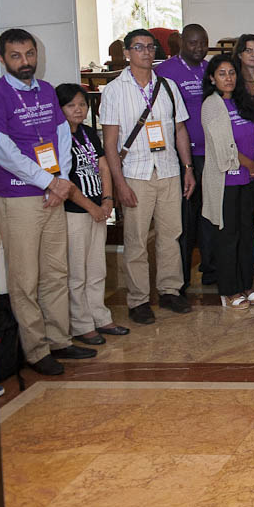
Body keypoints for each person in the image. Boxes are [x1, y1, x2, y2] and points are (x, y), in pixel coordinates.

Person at [0, 32, 95, 376]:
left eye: (29, 53)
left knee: (56, 271)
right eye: (16, 55)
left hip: (54, 193)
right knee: (25, 279)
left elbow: (61, 134)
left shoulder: (47, 90)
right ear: (2, 59)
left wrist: (61, 182)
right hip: (18, 196)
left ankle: (59, 338)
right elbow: (2, 149)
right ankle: (37, 350)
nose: (25, 61)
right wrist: (48, 181)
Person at [100, 28, 196, 324]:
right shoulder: (115, 90)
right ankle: (138, 299)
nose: (146, 52)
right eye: (139, 47)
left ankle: (170, 290)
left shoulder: (167, 86)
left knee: (171, 235)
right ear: (127, 52)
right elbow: (110, 143)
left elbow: (179, 129)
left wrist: (188, 168)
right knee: (137, 240)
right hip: (135, 175)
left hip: (168, 170)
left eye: (151, 47)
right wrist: (119, 184)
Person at [56, 84, 127, 346]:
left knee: (96, 267)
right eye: (71, 105)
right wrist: (92, 207)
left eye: (82, 104)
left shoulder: (87, 132)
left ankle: (100, 316)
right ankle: (81, 324)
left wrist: (107, 199)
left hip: (99, 209)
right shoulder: (58, 137)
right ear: (60, 108)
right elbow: (63, 181)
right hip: (75, 212)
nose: (78, 109)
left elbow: (103, 165)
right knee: (77, 272)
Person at [200, 54, 254, 310]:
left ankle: (246, 285)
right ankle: (228, 290)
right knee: (228, 236)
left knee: (248, 234)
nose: (228, 78)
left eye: (232, 73)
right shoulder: (211, 105)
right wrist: (248, 163)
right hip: (224, 181)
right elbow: (223, 146)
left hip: (247, 180)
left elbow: (253, 134)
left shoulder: (242, 102)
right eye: (222, 74)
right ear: (213, 79)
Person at [154, 23, 210, 291]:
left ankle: (211, 269)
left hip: (211, 154)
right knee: (185, 219)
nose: (198, 48)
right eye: (193, 43)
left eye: (202, 42)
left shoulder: (211, 68)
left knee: (210, 215)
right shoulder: (164, 72)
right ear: (181, 43)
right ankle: (182, 279)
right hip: (182, 157)